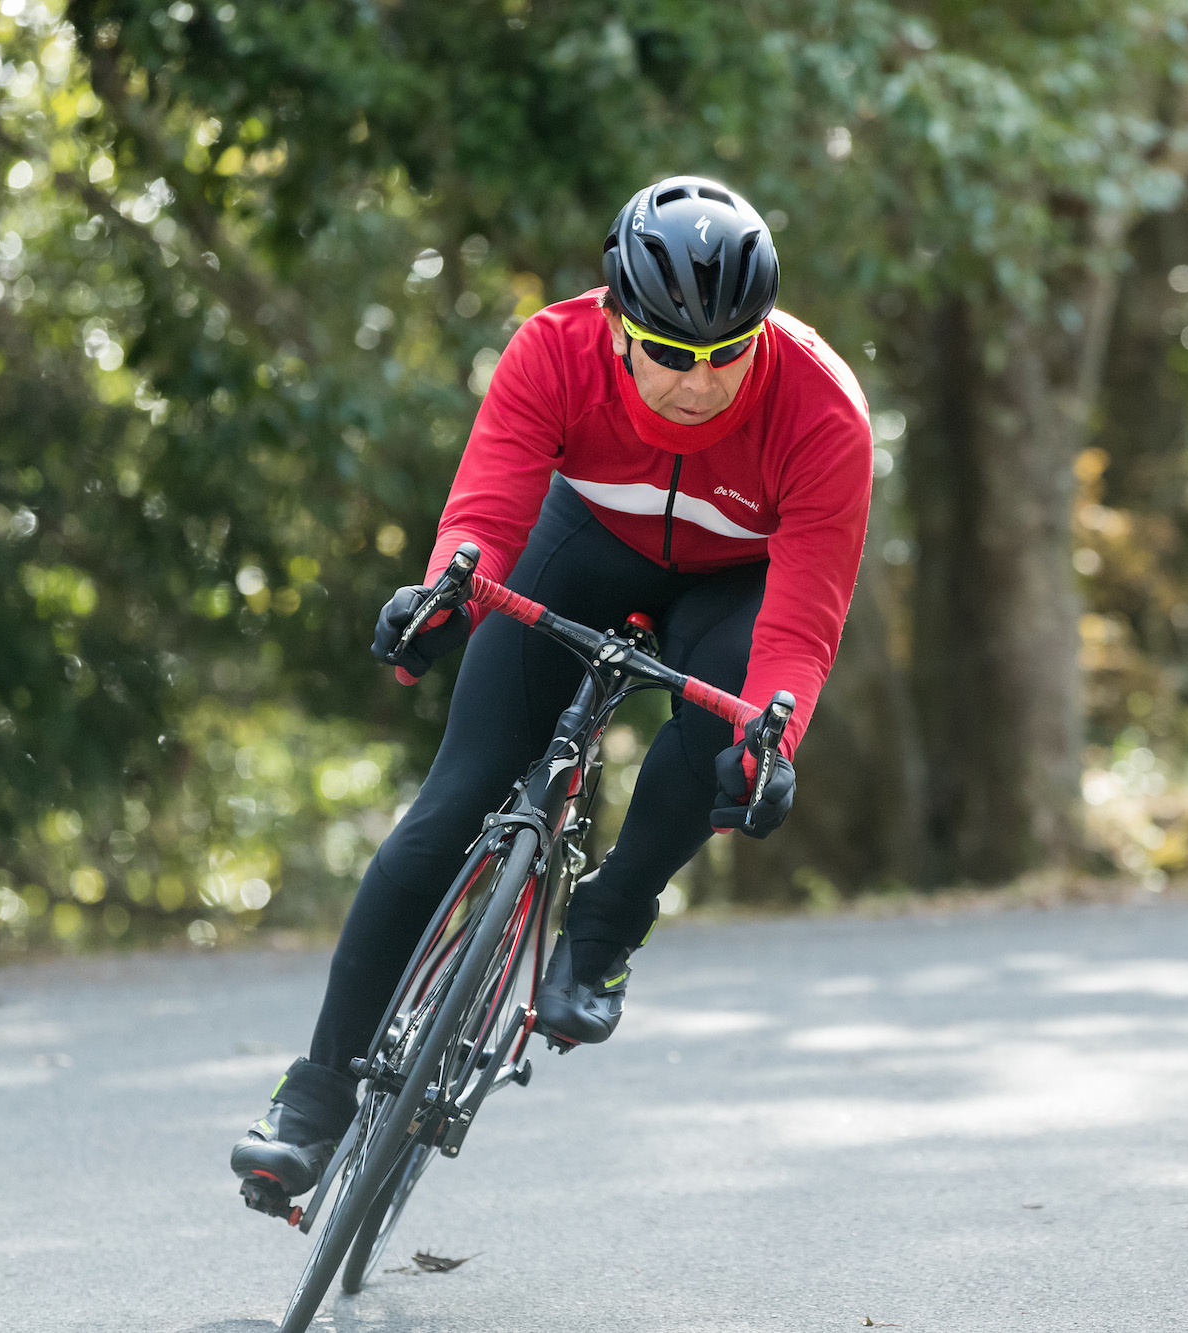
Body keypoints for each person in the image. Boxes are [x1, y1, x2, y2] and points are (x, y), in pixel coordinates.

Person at [231, 176, 873, 1202]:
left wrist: (771, 742)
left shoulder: (822, 408)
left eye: (727, 353)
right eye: (670, 353)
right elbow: (486, 506)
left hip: (734, 583)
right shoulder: (553, 349)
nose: (699, 383)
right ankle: (315, 1095)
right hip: (585, 547)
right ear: (619, 320)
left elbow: (800, 625)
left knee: (722, 738)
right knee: (450, 807)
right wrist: (443, 593)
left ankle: (607, 923)